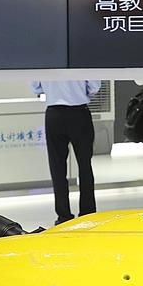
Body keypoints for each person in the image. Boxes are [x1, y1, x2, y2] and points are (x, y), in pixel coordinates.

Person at [33, 78, 102, 224]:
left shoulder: (46, 64)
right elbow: (94, 85)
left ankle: (63, 215)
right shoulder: (81, 63)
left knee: (57, 168)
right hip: (79, 113)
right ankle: (87, 213)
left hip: (54, 114)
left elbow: (35, 86)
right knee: (85, 167)